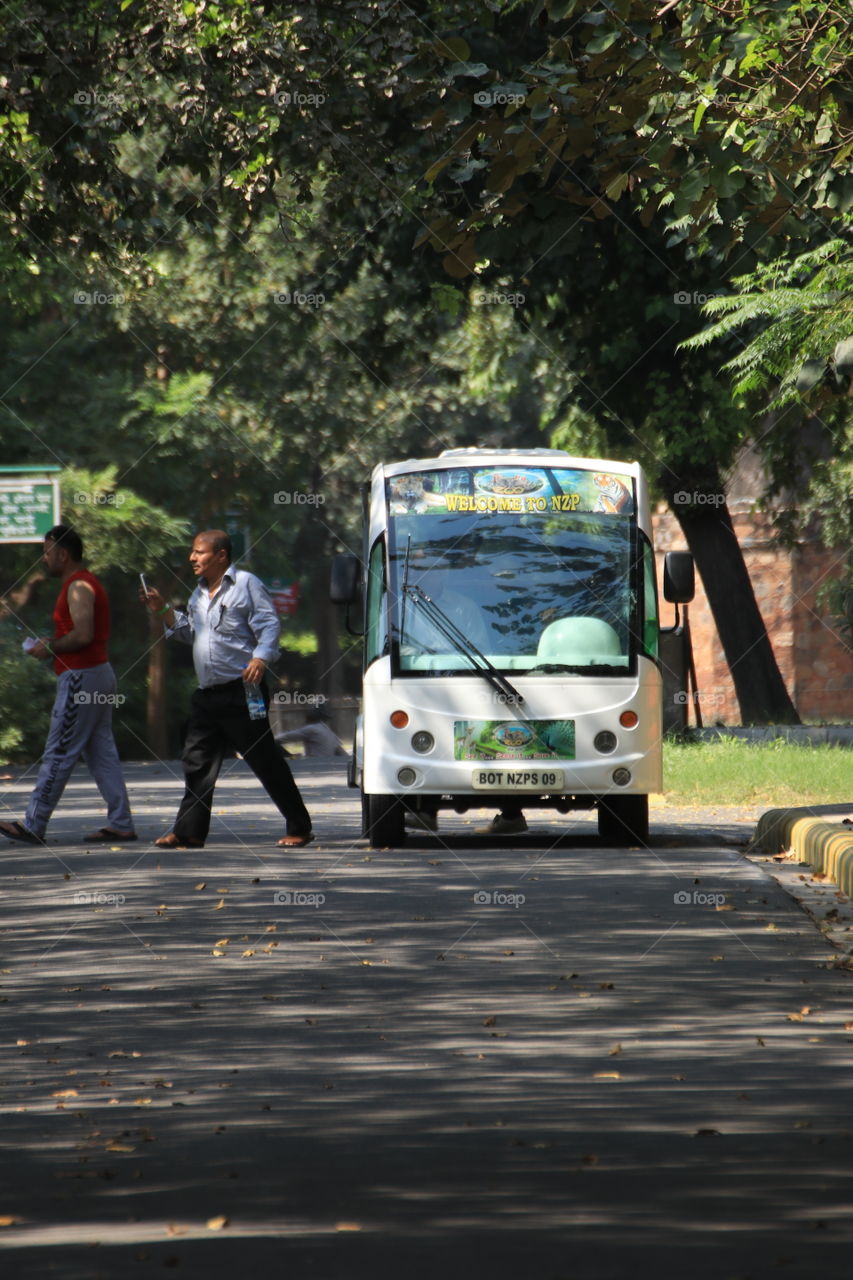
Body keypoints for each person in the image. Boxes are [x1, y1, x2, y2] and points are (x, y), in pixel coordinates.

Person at [141, 530, 313, 849]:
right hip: (208, 695)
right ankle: (189, 832)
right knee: (196, 761)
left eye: (199, 552)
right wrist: (162, 608)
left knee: (264, 760)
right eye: (192, 552)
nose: (192, 558)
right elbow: (189, 633)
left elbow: (270, 624)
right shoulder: (198, 595)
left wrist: (261, 658)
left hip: (243, 691)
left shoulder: (247, 584)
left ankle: (299, 826)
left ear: (220, 556)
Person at [0, 525, 136, 846]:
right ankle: (121, 823)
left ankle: (34, 823)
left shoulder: (79, 586)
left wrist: (49, 647)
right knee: (101, 752)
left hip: (82, 676)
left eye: (47, 552)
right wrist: (52, 644)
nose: (44, 558)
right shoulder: (79, 584)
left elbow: (84, 634)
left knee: (59, 751)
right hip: (95, 674)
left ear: (63, 553)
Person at [275, 706, 349, 758]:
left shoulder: (312, 729)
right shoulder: (330, 732)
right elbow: (343, 754)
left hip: (313, 764)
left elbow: (284, 738)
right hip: (327, 766)